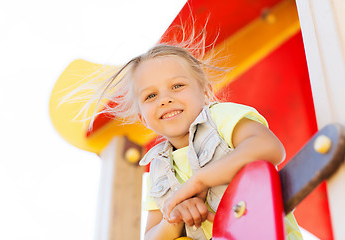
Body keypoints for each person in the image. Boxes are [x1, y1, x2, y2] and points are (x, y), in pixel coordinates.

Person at [79, 38, 302, 239]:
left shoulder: (218, 118)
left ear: (205, 92)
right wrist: (174, 217)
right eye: (151, 96)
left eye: (177, 86)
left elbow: (268, 147)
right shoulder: (157, 169)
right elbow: (151, 235)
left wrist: (200, 180)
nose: (165, 99)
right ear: (142, 118)